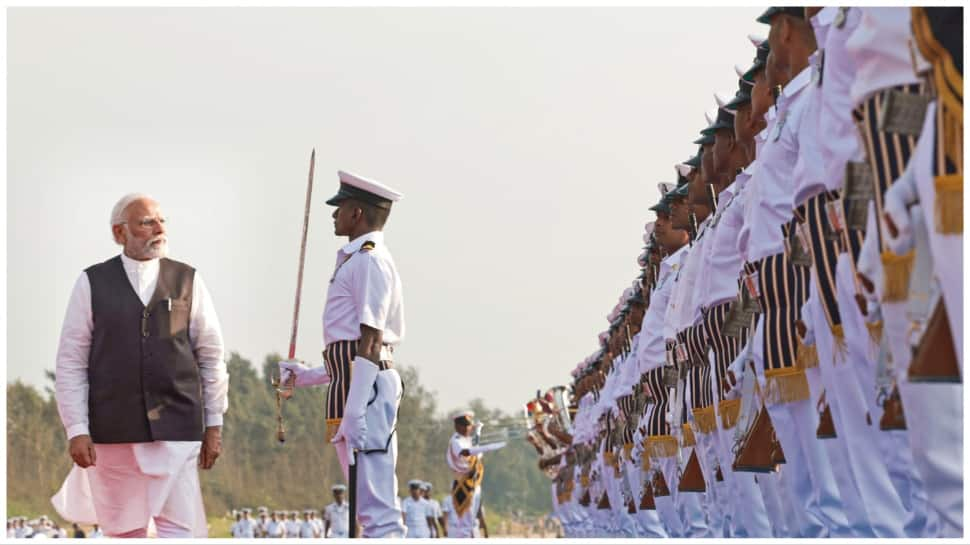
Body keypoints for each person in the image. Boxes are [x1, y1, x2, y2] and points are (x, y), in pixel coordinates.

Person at [50, 193, 228, 538]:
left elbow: (211, 355)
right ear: (120, 233)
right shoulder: (92, 282)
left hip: (178, 426)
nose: (159, 228)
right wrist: (76, 428)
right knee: (123, 530)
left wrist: (215, 423)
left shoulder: (187, 279)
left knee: (180, 530)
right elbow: (71, 361)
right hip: (113, 432)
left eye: (161, 220)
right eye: (147, 222)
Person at [278, 170, 406, 538]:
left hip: (365, 388)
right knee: (365, 507)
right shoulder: (352, 258)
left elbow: (371, 339)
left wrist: (356, 408)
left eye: (340, 208)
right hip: (350, 382)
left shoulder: (370, 259)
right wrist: (305, 375)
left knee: (379, 508)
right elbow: (345, 350)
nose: (334, 215)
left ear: (357, 214)